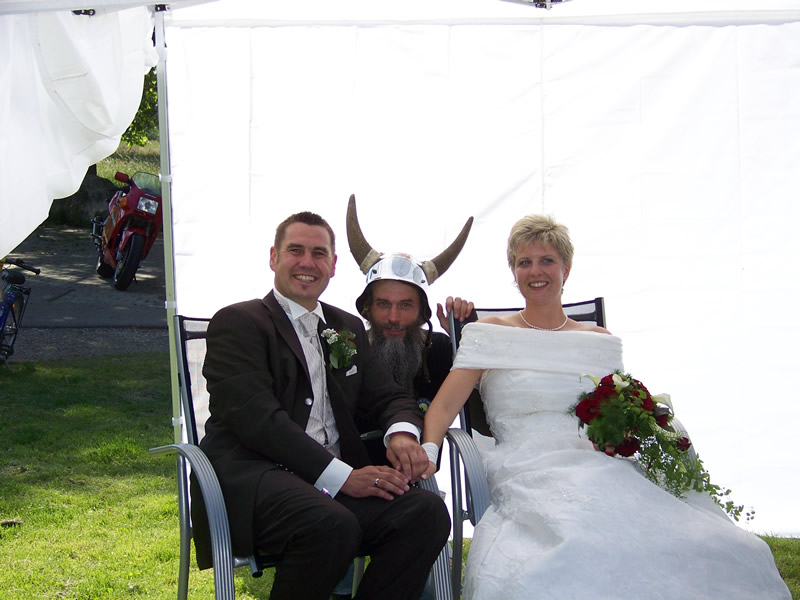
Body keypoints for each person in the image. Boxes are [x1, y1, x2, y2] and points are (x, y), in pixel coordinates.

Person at [421, 215, 791, 599]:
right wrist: (429, 452)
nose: (536, 271)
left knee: (700, 542)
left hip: (598, 461)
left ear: (566, 269)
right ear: (513, 272)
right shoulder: (488, 333)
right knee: (576, 538)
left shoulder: (599, 341)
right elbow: (444, 407)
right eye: (524, 262)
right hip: (526, 465)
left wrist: (624, 432)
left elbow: (617, 409)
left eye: (547, 260)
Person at [192, 211, 451, 600]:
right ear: (273, 257)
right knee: (331, 524)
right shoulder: (238, 321)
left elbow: (390, 396)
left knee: (425, 513)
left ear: (333, 265)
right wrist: (344, 477)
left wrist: (401, 434)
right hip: (255, 483)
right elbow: (258, 420)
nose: (307, 263)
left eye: (319, 253)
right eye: (295, 250)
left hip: (330, 490)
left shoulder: (345, 327)